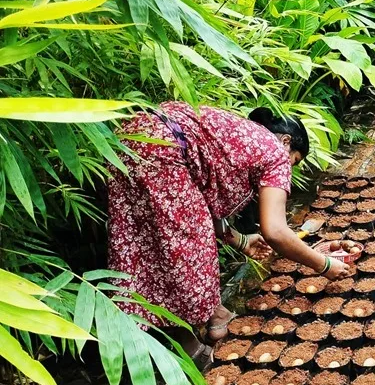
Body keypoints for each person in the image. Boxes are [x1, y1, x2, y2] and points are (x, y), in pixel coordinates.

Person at [107, 102, 350, 363]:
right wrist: (324, 265)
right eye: (295, 161)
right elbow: (276, 231)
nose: (290, 169)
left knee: (145, 247)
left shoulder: (241, 134)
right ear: (286, 141)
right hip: (163, 153)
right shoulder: (275, 151)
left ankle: (214, 317)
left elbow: (198, 204)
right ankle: (190, 349)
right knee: (186, 255)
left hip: (126, 141)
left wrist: (240, 240)